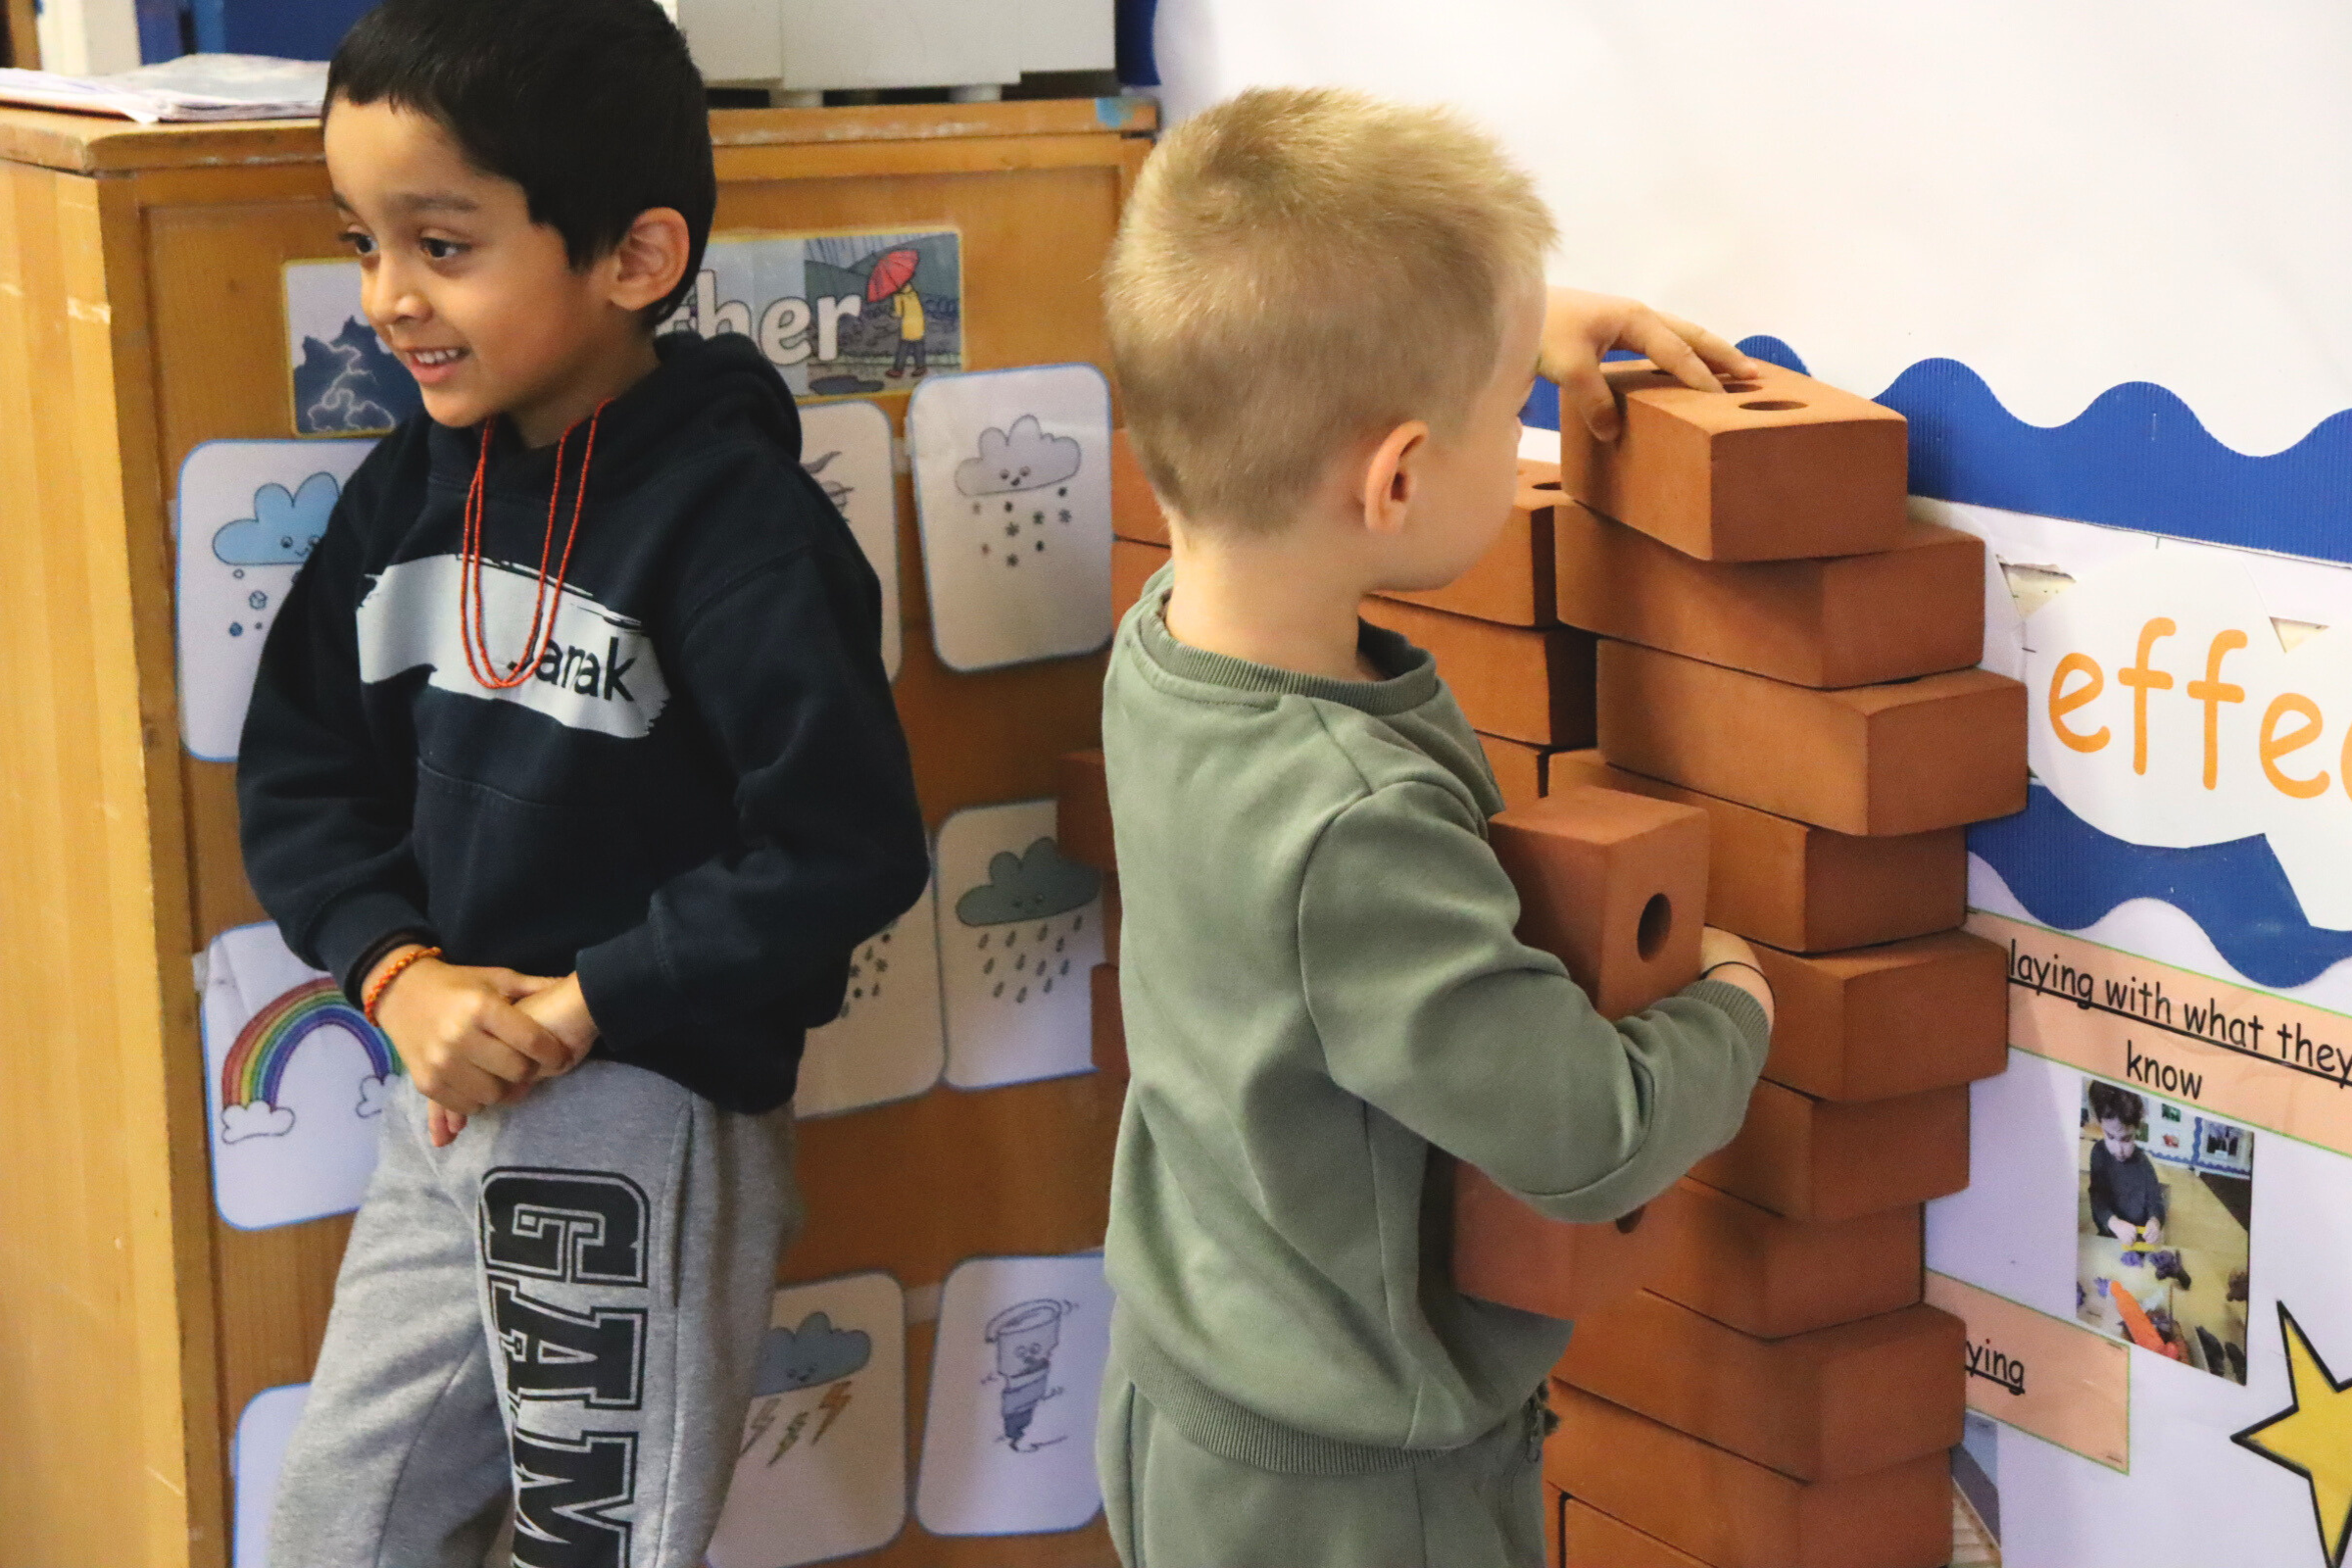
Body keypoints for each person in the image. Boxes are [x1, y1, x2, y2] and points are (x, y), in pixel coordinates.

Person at [236, 3, 929, 1563]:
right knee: (335, 1526)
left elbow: (843, 842)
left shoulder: (734, 523)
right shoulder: (408, 488)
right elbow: (297, 771)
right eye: (363, 240)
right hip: (444, 1096)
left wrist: (588, 1001)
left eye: (443, 244)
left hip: (638, 1111)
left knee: (589, 1545)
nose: (389, 299)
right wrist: (395, 971)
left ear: (633, 257)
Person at [1092, 86, 1779, 1567]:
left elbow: (1281, 376)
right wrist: (1734, 1001)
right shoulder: (1354, 827)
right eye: (1509, 416)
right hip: (1359, 1499)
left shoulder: (1166, 643)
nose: (1523, 420)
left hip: (1189, 1403)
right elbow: (1585, 1134)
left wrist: (1501, 325)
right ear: (1398, 477)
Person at [2088, 1082, 2169, 1246]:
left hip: (2139, 1242)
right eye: (2110, 1136)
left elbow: (2156, 1202)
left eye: (2126, 1139)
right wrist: (2114, 1223)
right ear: (2101, 1125)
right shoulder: (2099, 1153)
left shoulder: (2143, 1163)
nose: (2119, 1149)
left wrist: (2155, 1222)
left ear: (2137, 1130)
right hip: (2109, 1238)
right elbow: (2097, 1199)